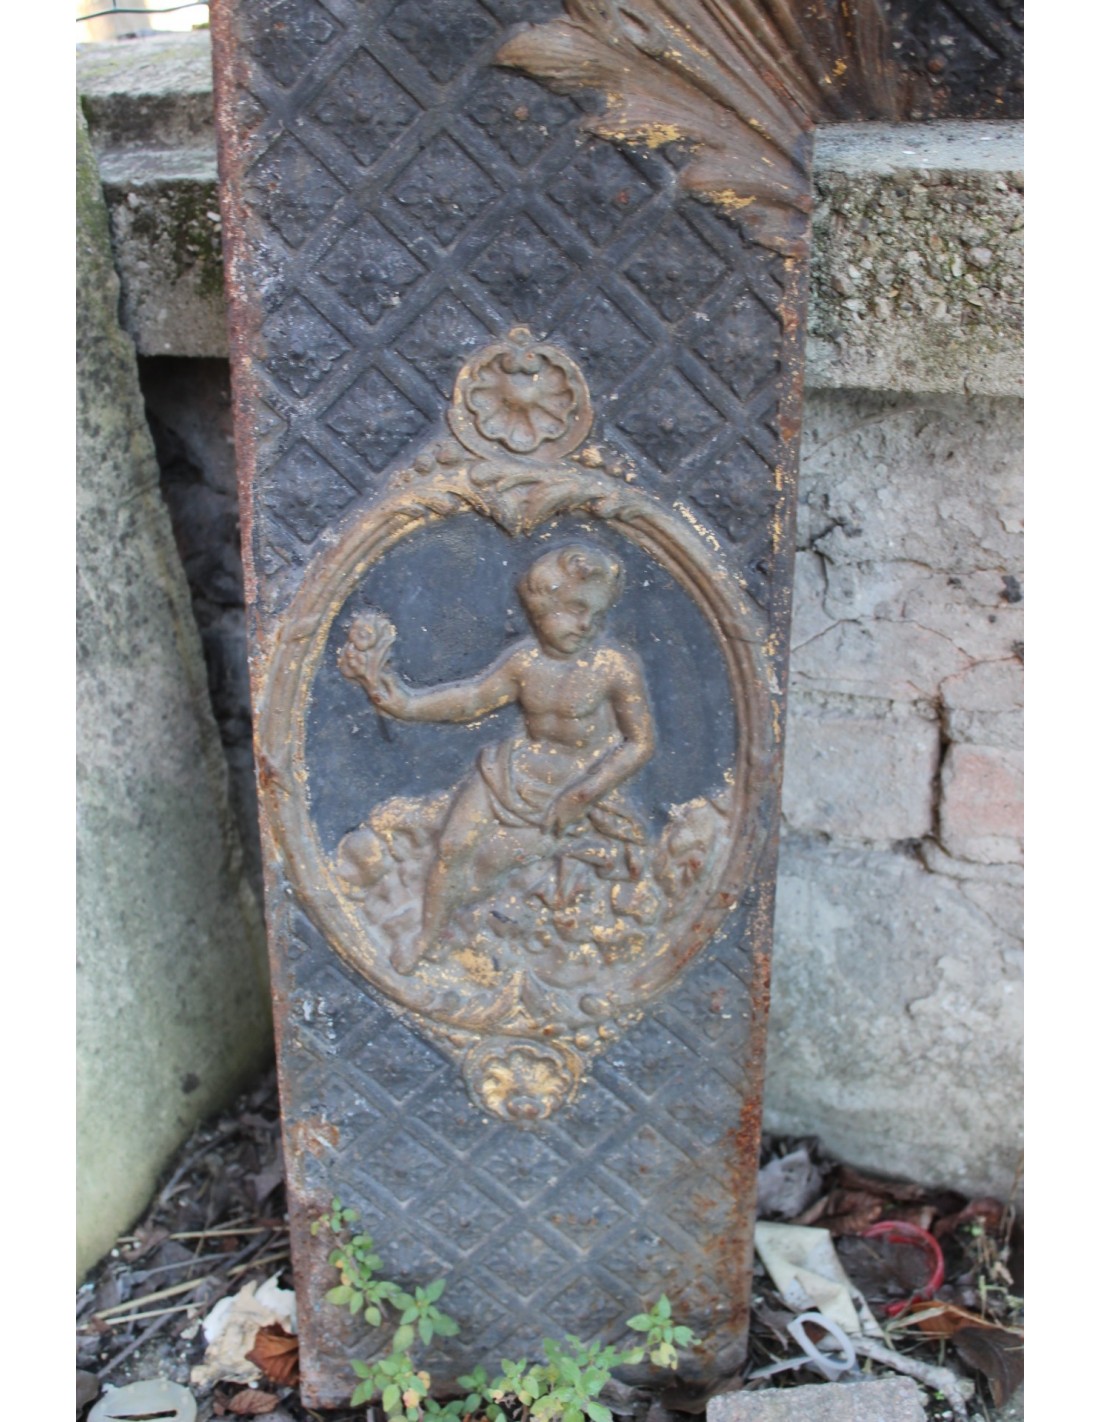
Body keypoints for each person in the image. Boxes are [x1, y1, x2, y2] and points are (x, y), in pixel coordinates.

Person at [338, 543, 656, 974]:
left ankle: (465, 923)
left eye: (597, 615)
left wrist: (583, 794)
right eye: (576, 608)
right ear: (541, 608)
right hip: (510, 772)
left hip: (570, 788)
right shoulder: (525, 662)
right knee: (452, 846)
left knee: (490, 864)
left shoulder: (613, 667)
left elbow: (640, 743)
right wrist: (407, 705)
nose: (587, 624)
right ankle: (426, 936)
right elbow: (473, 699)